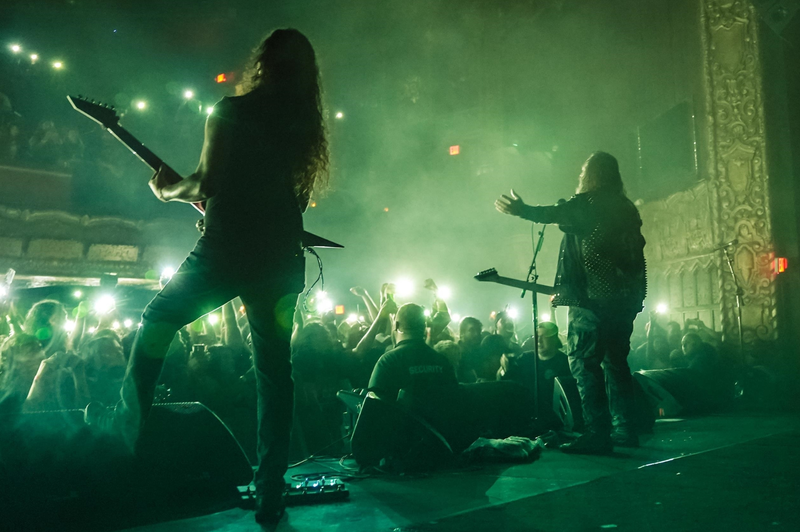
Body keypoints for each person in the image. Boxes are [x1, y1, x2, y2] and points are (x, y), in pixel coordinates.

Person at [85, 29, 329, 524]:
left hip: (226, 252)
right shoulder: (301, 122)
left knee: (156, 320)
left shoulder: (232, 110)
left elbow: (206, 181)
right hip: (280, 254)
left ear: (261, 62)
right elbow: (287, 196)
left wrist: (168, 193)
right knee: (274, 372)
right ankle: (270, 489)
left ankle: (124, 435)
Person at [496, 151, 646, 454]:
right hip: (625, 299)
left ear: (590, 175)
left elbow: (554, 214)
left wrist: (521, 209)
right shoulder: (625, 207)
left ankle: (597, 433)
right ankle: (626, 429)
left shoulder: (590, 202)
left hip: (591, 298)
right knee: (616, 363)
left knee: (583, 363)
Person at [368, 303, 458, 406]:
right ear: (424, 326)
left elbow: (373, 405)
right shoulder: (442, 360)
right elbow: (454, 399)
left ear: (396, 325)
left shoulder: (388, 361)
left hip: (402, 422)